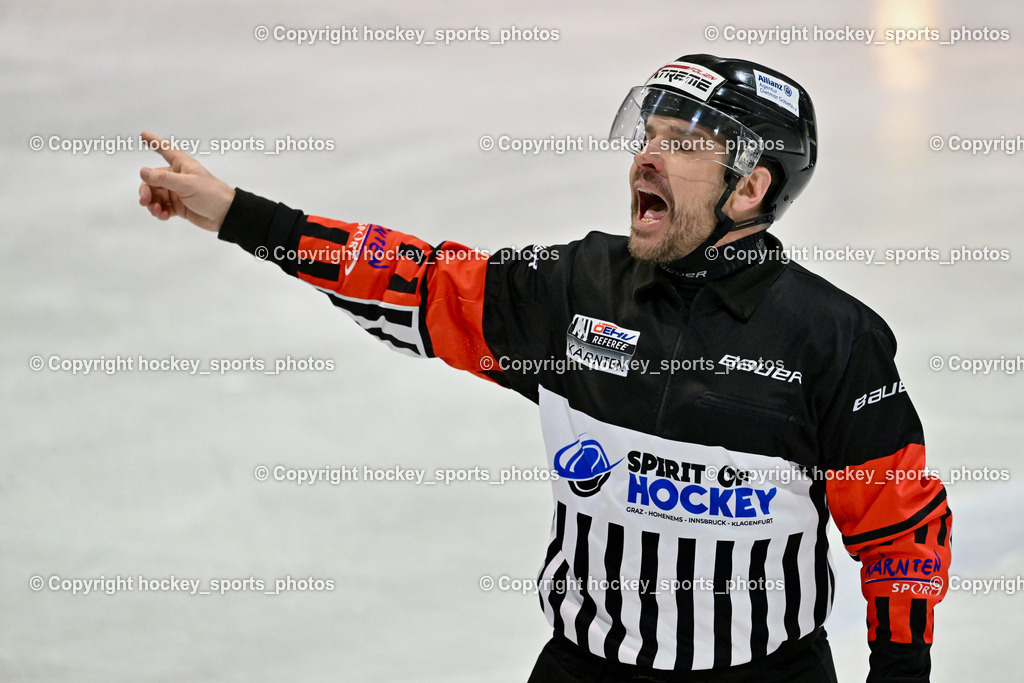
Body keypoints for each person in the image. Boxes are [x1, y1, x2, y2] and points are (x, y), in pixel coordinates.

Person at [137, 54, 951, 683]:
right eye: (648, 138)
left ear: (751, 188)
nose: (646, 159)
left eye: (683, 145)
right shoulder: (575, 289)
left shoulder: (833, 337)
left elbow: (901, 539)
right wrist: (240, 215)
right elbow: (412, 278)